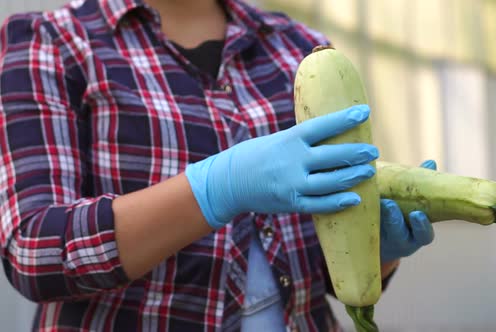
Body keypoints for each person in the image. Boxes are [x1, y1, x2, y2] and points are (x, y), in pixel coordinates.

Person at [0, 0, 436, 330]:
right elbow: (34, 253)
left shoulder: (301, 49)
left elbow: (321, 265)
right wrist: (216, 187)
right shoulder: (50, 40)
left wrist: (376, 251)